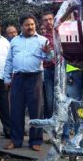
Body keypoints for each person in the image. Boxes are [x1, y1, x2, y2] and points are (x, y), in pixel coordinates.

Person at [3, 13, 53, 151]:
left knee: (36, 111)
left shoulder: (42, 40)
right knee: (16, 110)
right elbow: (9, 61)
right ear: (21, 26)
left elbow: (50, 58)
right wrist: (7, 78)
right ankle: (16, 140)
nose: (30, 27)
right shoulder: (14, 41)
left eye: (32, 24)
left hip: (35, 78)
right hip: (18, 78)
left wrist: (48, 53)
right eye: (27, 25)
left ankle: (35, 141)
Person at [41, 11, 55, 119]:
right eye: (45, 20)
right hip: (47, 70)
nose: (48, 22)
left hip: (60, 70)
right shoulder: (41, 39)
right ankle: (51, 123)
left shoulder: (61, 34)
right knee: (49, 99)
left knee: (61, 98)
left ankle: (64, 128)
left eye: (50, 19)